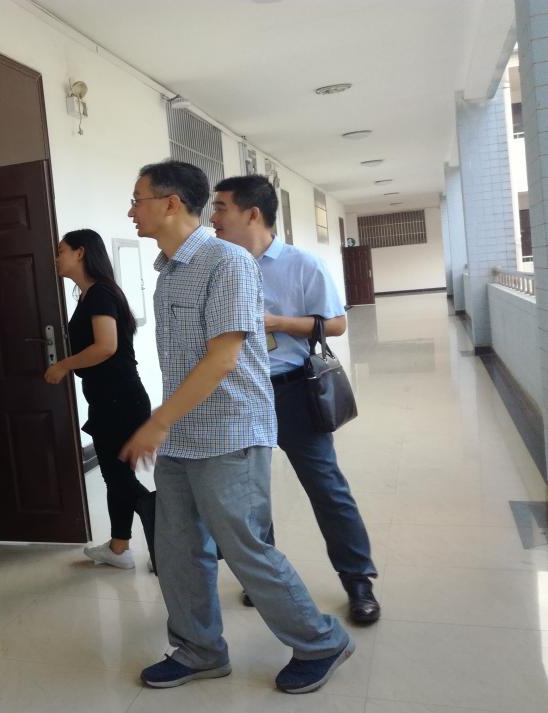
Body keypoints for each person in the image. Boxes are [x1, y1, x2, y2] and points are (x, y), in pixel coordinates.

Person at [120, 160, 353, 695]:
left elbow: (222, 359)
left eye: (138, 200)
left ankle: (321, 641)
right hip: (182, 434)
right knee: (177, 548)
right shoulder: (168, 270)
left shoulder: (227, 262)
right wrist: (167, 424)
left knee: (245, 547)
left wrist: (157, 421)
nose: (132, 211)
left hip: (229, 430)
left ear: (171, 203)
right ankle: (199, 648)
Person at [210, 175, 380, 624]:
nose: (213, 217)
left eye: (221, 207)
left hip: (292, 390)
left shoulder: (302, 265)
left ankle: (358, 579)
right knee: (248, 494)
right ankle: (264, 579)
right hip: (241, 394)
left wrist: (278, 322)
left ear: (252, 213)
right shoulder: (220, 265)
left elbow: (336, 324)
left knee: (326, 487)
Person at [44, 229, 157, 571]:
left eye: (61, 251)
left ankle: (165, 534)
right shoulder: (91, 295)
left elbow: (106, 346)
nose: (56, 258)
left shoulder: (100, 294)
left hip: (119, 399)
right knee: (116, 476)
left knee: (118, 478)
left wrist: (63, 365)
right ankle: (119, 548)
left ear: (80, 252)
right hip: (111, 398)